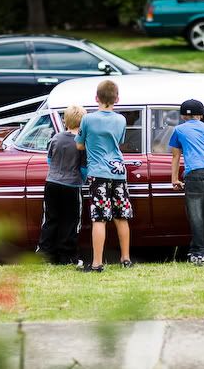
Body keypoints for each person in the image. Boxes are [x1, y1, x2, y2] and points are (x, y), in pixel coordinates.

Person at [76, 80, 133, 272]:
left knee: (99, 218)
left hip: (98, 173)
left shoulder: (88, 119)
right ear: (117, 99)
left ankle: (97, 263)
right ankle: (125, 259)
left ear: (96, 98)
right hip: (119, 173)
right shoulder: (121, 120)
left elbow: (79, 145)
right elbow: (120, 141)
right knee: (121, 216)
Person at [169, 99, 204, 266]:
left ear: (182, 116)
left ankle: (199, 253)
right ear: (201, 115)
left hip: (193, 172)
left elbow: (175, 156)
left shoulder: (178, 130)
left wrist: (174, 179)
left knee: (196, 215)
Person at [37, 105, 87, 265]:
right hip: (72, 185)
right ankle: (67, 256)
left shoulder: (56, 138)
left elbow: (49, 160)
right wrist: (83, 180)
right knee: (71, 221)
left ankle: (45, 254)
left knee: (50, 219)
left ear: (65, 120)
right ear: (83, 123)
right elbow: (84, 168)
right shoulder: (81, 143)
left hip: (52, 183)